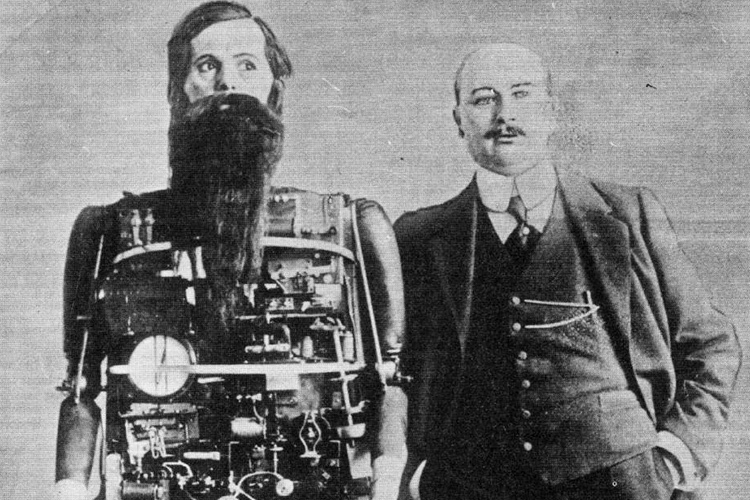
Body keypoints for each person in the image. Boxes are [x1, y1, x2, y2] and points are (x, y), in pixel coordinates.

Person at [54, 3, 404, 499]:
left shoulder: (354, 227)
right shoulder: (104, 231)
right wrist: (68, 489)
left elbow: (390, 379)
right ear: (178, 91)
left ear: (273, 89)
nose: (228, 82)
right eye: (207, 66)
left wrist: (387, 481)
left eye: (247, 64)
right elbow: (82, 389)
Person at [383, 43, 741, 500]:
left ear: (551, 113)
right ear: (459, 120)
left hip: (623, 485)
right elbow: (389, 372)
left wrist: (673, 458)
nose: (504, 114)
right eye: (484, 98)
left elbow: (710, 345)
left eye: (522, 94)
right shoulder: (417, 236)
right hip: (468, 487)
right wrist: (413, 475)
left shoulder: (628, 214)